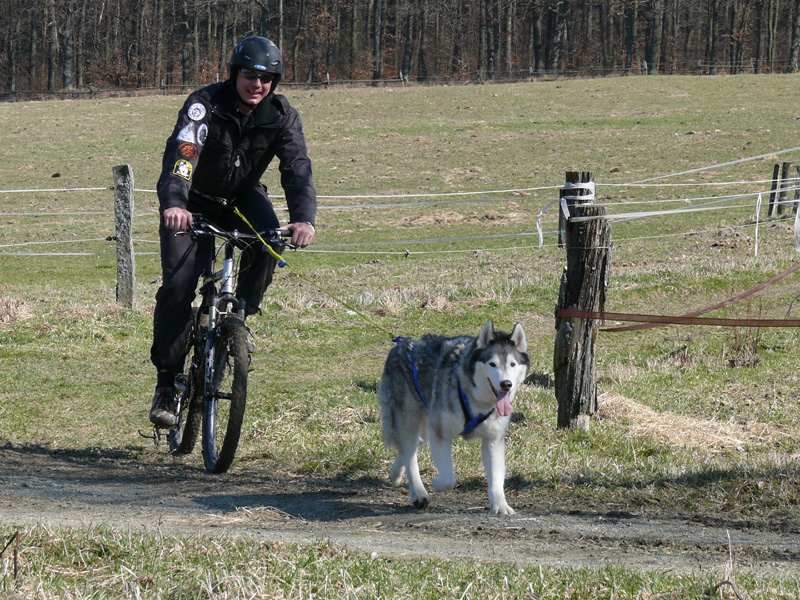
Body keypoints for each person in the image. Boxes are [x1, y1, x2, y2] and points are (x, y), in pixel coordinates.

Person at [149, 36, 317, 427]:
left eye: (266, 78)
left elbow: (297, 167)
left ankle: (237, 321)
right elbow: (183, 154)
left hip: (242, 197)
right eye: (249, 76)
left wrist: (304, 218)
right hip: (192, 201)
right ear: (234, 74)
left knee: (271, 242)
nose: (256, 85)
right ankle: (168, 382)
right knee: (178, 287)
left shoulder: (282, 114)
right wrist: (175, 203)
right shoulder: (204, 105)